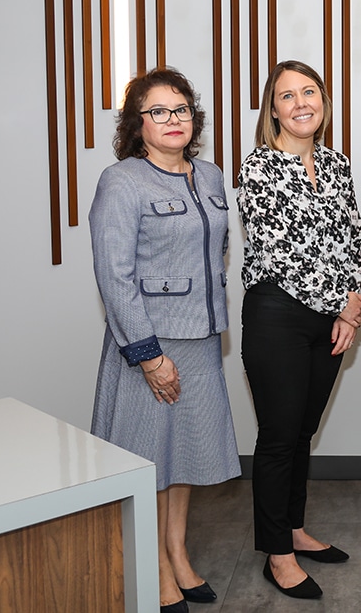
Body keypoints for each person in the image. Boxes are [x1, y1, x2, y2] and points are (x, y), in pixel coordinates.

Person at [89, 67, 241, 613]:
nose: (172, 120)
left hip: (200, 339)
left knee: (188, 456)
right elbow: (114, 275)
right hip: (148, 345)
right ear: (137, 123)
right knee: (149, 457)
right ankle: (151, 565)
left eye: (180, 109)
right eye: (158, 111)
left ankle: (177, 551)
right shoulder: (122, 180)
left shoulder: (211, 176)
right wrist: (149, 355)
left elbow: (214, 252)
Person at [237, 60, 361, 600]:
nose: (300, 103)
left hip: (330, 317)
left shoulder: (335, 163)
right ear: (274, 111)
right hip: (278, 312)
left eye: (308, 92)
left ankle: (293, 528)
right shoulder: (258, 167)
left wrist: (353, 303)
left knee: (302, 432)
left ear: (323, 100)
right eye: (286, 96)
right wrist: (338, 305)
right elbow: (283, 250)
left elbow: (352, 236)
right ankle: (278, 554)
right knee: (277, 434)